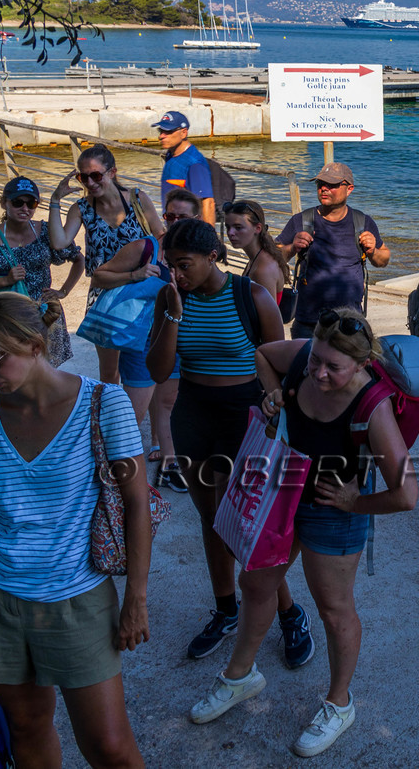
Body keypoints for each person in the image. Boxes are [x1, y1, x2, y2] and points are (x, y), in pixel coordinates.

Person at [189, 309, 419, 757]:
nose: (319, 373)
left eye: (334, 367)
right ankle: (240, 677)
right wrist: (274, 393)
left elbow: (407, 494)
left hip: (333, 507)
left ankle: (339, 703)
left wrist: (357, 502)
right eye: (316, 360)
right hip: (282, 486)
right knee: (256, 583)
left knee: (334, 610)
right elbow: (261, 355)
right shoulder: (302, 359)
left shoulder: (372, 407)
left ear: (361, 364)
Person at [0, 293, 149, 768]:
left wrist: (135, 598)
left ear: (34, 344)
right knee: (25, 728)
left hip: (74, 594)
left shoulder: (105, 404)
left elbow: (137, 504)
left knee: (109, 747)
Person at [145, 219, 294, 662]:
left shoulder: (253, 297)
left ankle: (289, 612)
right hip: (194, 415)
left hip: (245, 418)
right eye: (170, 265)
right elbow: (157, 370)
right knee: (212, 521)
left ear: (213, 257)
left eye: (184, 264)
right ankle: (226, 608)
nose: (176, 273)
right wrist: (172, 309)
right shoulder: (172, 297)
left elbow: (280, 368)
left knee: (248, 523)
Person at [91, 188, 202, 488]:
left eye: (183, 216)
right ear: (163, 216)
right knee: (132, 412)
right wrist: (136, 274)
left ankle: (168, 464)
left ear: (197, 219)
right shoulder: (146, 247)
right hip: (143, 340)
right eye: (171, 215)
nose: (176, 221)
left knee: (167, 404)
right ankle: (111, 470)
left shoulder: (201, 253)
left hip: (178, 338)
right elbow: (99, 276)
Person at [47, 144, 165, 386]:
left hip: (141, 291)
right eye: (83, 177)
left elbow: (161, 237)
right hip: (103, 292)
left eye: (96, 175)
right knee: (109, 372)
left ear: (112, 172)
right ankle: (111, 414)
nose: (89, 183)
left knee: (143, 364)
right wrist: (55, 201)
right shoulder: (81, 209)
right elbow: (60, 242)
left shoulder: (138, 199)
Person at [0, 176, 84, 368]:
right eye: (18, 202)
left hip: (44, 316)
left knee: (45, 373)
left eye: (31, 203)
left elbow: (78, 260)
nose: (25, 209)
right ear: (4, 203)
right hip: (7, 318)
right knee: (10, 371)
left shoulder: (45, 231)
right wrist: (5, 281)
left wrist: (63, 291)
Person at [277, 162, 389, 337]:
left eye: (332, 185)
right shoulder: (302, 220)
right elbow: (274, 257)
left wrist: (373, 251)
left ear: (349, 188)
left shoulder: (363, 222)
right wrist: (292, 248)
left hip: (350, 324)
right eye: (320, 184)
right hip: (308, 324)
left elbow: (384, 259)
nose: (324, 189)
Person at [153, 110, 218, 223]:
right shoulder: (170, 155)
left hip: (186, 230)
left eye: (168, 132)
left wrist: (208, 237)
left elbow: (208, 203)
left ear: (183, 133)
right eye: (161, 131)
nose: (161, 136)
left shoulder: (194, 163)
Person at [224, 198, 290, 307]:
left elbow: (269, 319)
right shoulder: (257, 258)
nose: (230, 233)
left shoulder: (263, 269)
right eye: (228, 227)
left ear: (258, 228)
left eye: (238, 227)